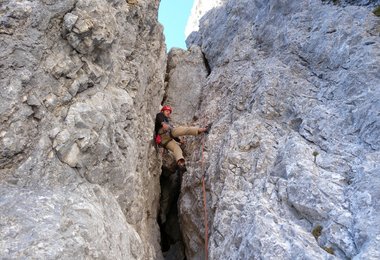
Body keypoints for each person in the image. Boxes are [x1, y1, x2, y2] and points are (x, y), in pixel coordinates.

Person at [154, 105, 211, 170]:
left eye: (169, 112)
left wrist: (179, 141)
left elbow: (172, 135)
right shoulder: (160, 116)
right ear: (162, 111)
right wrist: (163, 124)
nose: (168, 113)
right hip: (163, 135)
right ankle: (203, 129)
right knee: (183, 129)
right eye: (167, 111)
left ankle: (180, 163)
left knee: (177, 148)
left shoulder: (166, 120)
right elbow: (159, 117)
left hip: (165, 140)